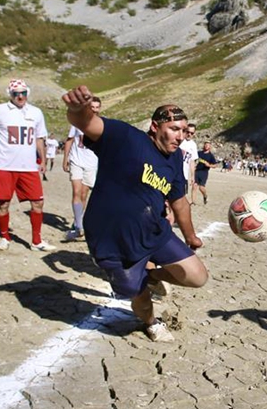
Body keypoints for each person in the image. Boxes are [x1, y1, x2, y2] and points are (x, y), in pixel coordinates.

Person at [62, 85, 208, 342]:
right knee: (135, 292)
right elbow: (87, 122)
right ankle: (151, 322)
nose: (180, 136)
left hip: (153, 230)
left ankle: (151, 274)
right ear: (154, 126)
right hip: (111, 238)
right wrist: (78, 109)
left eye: (183, 131)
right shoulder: (126, 138)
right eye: (174, 129)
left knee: (197, 277)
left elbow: (179, 201)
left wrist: (191, 236)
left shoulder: (176, 159)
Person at [0, 79, 55, 251]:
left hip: (28, 167)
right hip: (4, 166)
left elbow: (40, 138)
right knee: (3, 204)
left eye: (23, 93)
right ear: (10, 94)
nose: (20, 96)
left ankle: (36, 241)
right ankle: (4, 237)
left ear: (28, 93)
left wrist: (43, 160)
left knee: (38, 203)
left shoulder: (36, 112)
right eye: (16, 93)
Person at [62, 96, 102, 241]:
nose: (95, 110)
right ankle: (79, 227)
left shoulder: (102, 125)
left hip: (92, 163)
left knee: (84, 194)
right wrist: (66, 158)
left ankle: (77, 221)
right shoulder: (79, 122)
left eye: (97, 107)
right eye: (93, 107)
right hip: (76, 160)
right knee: (77, 191)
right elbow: (69, 140)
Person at [192, 141, 218, 205]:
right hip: (197, 171)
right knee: (194, 186)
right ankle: (193, 201)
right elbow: (193, 159)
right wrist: (194, 165)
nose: (206, 146)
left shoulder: (210, 156)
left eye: (208, 145)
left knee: (201, 187)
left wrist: (209, 165)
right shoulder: (199, 153)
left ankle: (205, 195)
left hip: (204, 172)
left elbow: (215, 165)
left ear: (210, 147)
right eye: (205, 145)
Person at [180, 123, 199, 204]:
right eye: (188, 132)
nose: (189, 134)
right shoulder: (179, 140)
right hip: (172, 172)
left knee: (181, 197)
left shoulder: (193, 145)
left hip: (184, 175)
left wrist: (192, 176)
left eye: (191, 133)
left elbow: (192, 161)